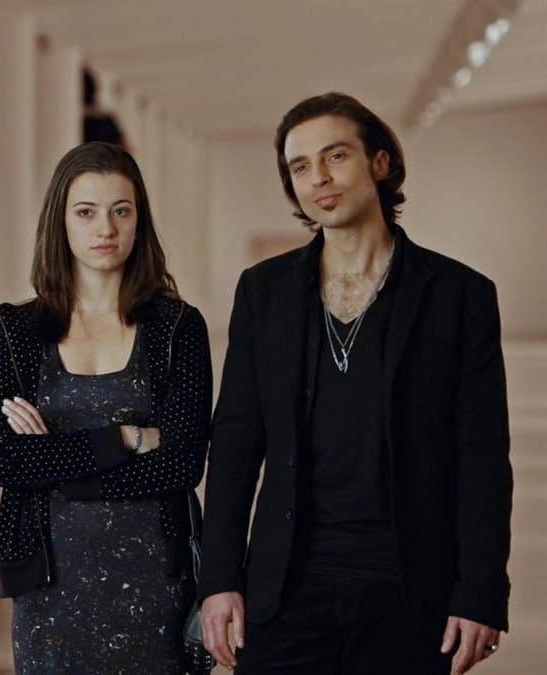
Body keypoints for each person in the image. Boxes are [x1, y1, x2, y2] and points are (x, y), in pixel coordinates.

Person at [199, 92, 512, 675]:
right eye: (300, 167)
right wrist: (218, 580)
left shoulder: (459, 295)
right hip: (285, 590)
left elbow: (482, 457)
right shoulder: (264, 293)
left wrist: (481, 590)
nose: (318, 177)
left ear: (380, 162)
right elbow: (236, 445)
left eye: (335, 156)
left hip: (410, 591)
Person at [0, 141, 212, 673]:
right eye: (86, 212)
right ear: (60, 222)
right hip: (49, 582)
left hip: (157, 575)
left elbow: (181, 464)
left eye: (120, 211)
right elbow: (9, 463)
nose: (105, 228)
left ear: (139, 221)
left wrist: (57, 464)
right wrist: (127, 438)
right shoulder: (16, 333)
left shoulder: (177, 328)